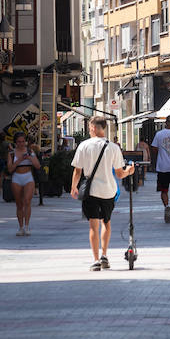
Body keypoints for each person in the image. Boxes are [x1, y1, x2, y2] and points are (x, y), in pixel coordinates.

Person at [69, 115, 134, 271]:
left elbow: (77, 171)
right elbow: (119, 173)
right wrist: (129, 171)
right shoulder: (113, 147)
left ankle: (96, 259)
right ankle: (104, 255)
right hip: (108, 191)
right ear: (103, 128)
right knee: (106, 222)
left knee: (93, 225)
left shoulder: (84, 146)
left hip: (91, 190)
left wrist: (74, 187)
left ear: (92, 127)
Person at [7, 134, 41, 236]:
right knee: (19, 203)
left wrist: (30, 158)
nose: (21, 144)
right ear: (15, 142)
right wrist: (20, 160)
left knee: (27, 200)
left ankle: (27, 226)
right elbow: (10, 169)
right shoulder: (11, 153)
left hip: (28, 177)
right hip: (17, 177)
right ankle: (20, 227)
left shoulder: (30, 151)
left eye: (23, 141)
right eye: (19, 142)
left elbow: (38, 166)